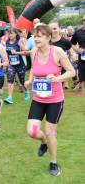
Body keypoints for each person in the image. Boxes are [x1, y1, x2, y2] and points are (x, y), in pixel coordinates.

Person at [24, 24, 75, 176]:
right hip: (38, 99)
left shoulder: (57, 52)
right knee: (31, 132)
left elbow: (71, 72)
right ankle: (44, 142)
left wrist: (57, 78)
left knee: (50, 132)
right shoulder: (33, 52)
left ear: (48, 37)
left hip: (55, 100)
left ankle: (53, 162)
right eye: (35, 36)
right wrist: (29, 81)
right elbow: (34, 69)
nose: (36, 38)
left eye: (39, 36)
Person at [4, 28, 30, 104]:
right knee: (10, 79)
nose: (10, 35)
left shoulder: (19, 42)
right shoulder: (7, 42)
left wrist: (16, 53)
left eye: (11, 33)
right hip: (11, 64)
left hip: (20, 65)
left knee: (22, 81)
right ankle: (10, 97)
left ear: (16, 34)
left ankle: (27, 91)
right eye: (9, 33)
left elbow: (26, 52)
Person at [71, 14, 85, 93]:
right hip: (82, 55)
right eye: (84, 20)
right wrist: (77, 49)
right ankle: (80, 87)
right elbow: (72, 43)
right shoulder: (78, 32)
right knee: (81, 70)